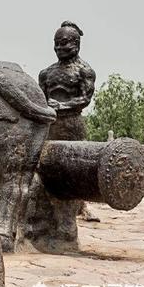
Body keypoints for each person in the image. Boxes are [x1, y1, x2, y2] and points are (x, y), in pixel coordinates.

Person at [39, 20, 99, 221]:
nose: (59, 48)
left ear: (76, 44)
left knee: (77, 166)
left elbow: (85, 99)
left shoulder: (84, 71)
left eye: (64, 43)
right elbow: (41, 98)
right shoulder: (46, 73)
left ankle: (81, 205)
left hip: (72, 124)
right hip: (50, 126)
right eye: (56, 43)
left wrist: (61, 106)